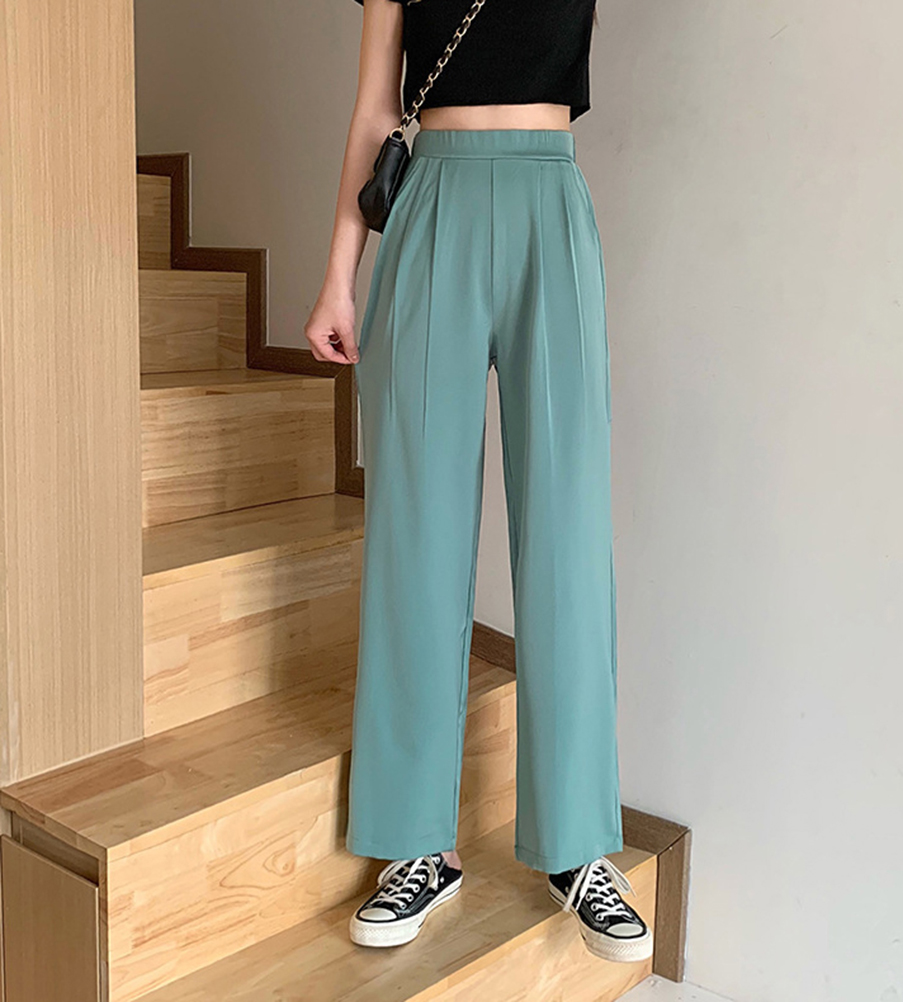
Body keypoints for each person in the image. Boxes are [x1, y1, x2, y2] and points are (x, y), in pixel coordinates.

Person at [304, 0, 651, 965]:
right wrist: (340, 276)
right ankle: (416, 840)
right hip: (432, 206)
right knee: (414, 535)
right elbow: (376, 109)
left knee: (567, 537)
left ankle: (577, 844)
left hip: (550, 200)